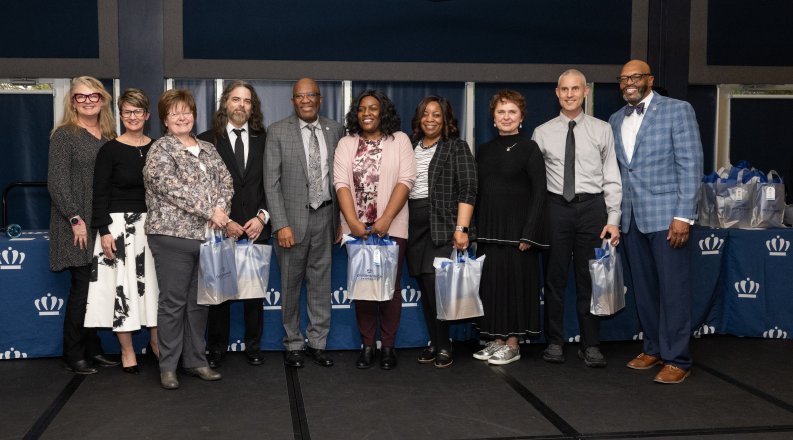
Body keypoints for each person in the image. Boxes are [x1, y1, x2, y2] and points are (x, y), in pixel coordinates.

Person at [608, 60, 703, 384]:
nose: (628, 83)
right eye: (623, 79)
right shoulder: (615, 119)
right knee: (645, 291)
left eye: (635, 77)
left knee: (673, 291)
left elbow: (690, 164)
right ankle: (653, 347)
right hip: (632, 218)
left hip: (668, 218)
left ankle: (678, 358)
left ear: (649, 79)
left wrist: (683, 216)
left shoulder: (678, 110)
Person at [144, 89, 233, 389]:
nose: (182, 117)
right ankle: (168, 366)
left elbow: (226, 181)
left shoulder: (208, 147)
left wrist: (220, 209)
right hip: (172, 237)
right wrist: (210, 209)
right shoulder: (160, 149)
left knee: (199, 304)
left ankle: (196, 361)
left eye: (187, 111)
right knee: (172, 303)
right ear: (165, 120)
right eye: (174, 113)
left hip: (208, 238)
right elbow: (170, 187)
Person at [532, 69, 622, 368]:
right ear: (557, 93)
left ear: (586, 92)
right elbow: (533, 182)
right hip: (555, 208)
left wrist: (613, 218)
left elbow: (611, 176)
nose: (569, 94)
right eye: (564, 89)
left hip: (591, 209)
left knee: (590, 279)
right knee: (554, 278)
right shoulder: (542, 132)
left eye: (575, 89)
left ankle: (591, 344)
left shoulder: (602, 129)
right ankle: (555, 342)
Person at [264, 78, 345, 368]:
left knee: (321, 284)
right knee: (290, 284)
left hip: (325, 216)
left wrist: (340, 220)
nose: (306, 100)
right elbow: (271, 184)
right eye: (300, 96)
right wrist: (280, 224)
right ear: (293, 101)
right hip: (291, 222)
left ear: (320, 99)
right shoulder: (277, 132)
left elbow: (340, 179)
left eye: (311, 95)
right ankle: (293, 343)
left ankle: (318, 343)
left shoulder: (336, 130)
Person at [334, 89, 417, 370]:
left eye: (373, 108)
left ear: (383, 112)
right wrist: (353, 223)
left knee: (390, 289)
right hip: (357, 229)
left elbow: (406, 180)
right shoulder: (346, 143)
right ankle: (368, 345)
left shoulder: (401, 140)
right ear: (355, 114)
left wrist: (386, 219)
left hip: (391, 227)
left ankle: (389, 347)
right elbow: (340, 184)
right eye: (361, 109)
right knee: (363, 286)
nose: (367, 113)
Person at [48, 76, 120, 375]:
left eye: (94, 96)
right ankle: (73, 353)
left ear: (103, 100)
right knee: (81, 289)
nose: (88, 101)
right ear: (72, 101)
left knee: (96, 289)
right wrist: (75, 219)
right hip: (74, 224)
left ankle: (93, 349)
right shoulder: (64, 135)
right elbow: (57, 182)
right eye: (81, 97)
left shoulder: (108, 135)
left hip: (101, 222)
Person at [84, 88, 160, 374]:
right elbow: (99, 194)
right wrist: (104, 231)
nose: (132, 116)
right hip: (117, 228)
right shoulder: (109, 150)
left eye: (137, 111)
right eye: (127, 111)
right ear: (120, 114)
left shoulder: (158, 147)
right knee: (122, 290)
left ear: (147, 115)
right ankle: (127, 351)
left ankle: (156, 344)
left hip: (152, 226)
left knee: (154, 288)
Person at [472, 90, 548, 366]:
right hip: (489, 233)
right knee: (492, 288)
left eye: (512, 112)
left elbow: (540, 192)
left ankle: (513, 344)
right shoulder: (483, 150)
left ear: (521, 118)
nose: (506, 117)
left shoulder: (530, 149)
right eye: (501, 112)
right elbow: (477, 193)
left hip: (519, 235)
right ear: (493, 118)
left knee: (516, 288)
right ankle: (496, 340)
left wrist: (529, 232)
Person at [198, 81, 270, 368]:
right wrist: (224, 220)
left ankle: (254, 346)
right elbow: (201, 188)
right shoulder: (206, 140)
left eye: (247, 101)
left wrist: (263, 217)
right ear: (225, 103)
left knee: (254, 295)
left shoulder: (265, 139)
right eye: (236, 99)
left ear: (252, 108)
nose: (241, 105)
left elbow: (271, 183)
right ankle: (216, 348)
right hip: (220, 227)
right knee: (219, 295)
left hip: (256, 227)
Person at [406, 96, 476, 369]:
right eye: (425, 114)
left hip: (444, 225)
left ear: (446, 119)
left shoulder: (456, 147)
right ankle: (434, 341)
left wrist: (462, 228)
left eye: (436, 114)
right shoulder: (410, 147)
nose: (430, 119)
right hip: (414, 226)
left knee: (439, 288)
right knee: (425, 285)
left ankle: (445, 344)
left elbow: (468, 188)